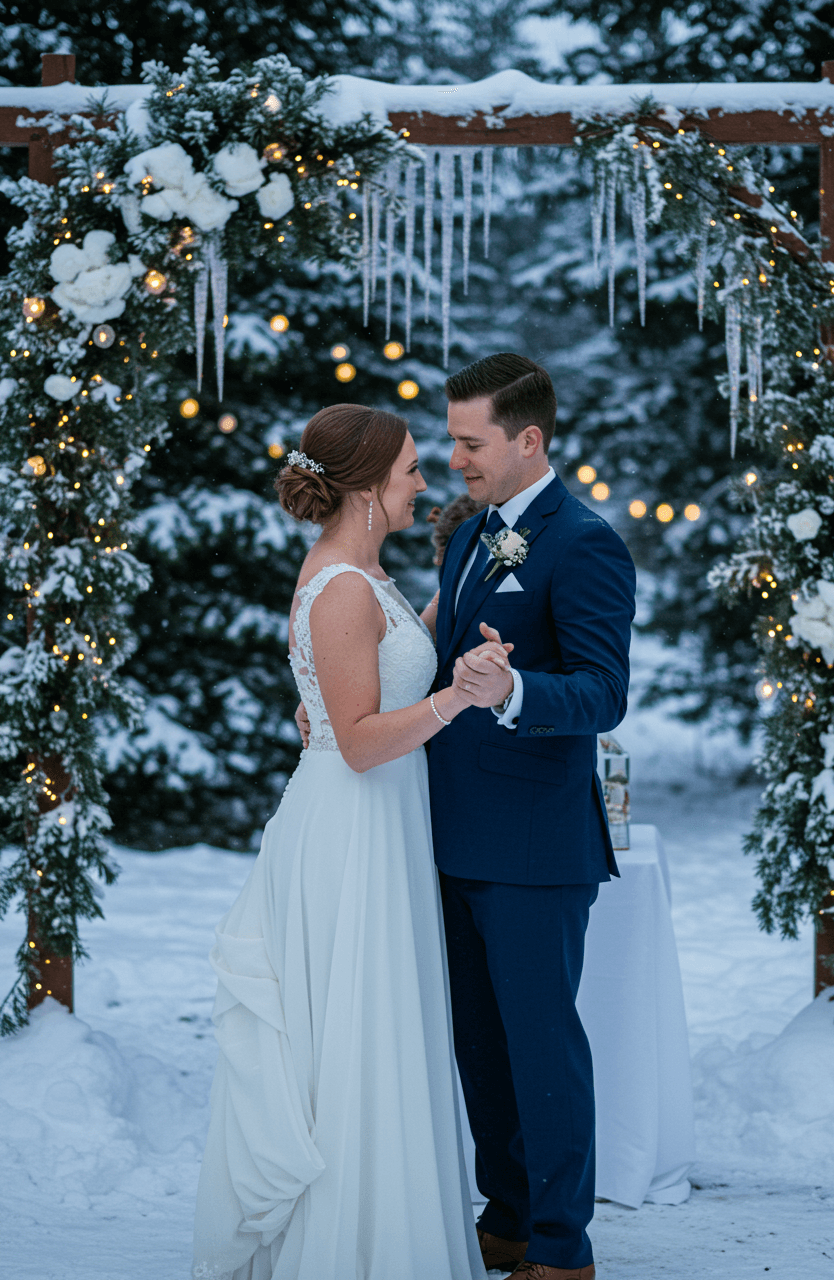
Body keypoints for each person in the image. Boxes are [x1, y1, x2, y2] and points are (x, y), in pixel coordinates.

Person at [192, 403, 505, 1280]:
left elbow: (356, 684)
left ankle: (388, 1230)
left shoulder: (367, 576)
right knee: (354, 1029)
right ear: (368, 484)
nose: (422, 480)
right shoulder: (337, 584)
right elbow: (362, 741)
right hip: (350, 829)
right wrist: (457, 700)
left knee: (382, 1024)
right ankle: (351, 1246)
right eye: (410, 468)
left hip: (384, 825)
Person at [430, 353, 636, 1280]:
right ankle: (506, 1220)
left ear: (529, 440)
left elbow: (603, 692)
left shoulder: (582, 540)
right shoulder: (470, 535)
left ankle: (561, 1247)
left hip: (535, 847)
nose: (456, 459)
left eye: (471, 443)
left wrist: (515, 689)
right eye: (452, 440)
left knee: (543, 1054)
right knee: (481, 1050)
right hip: (450, 837)